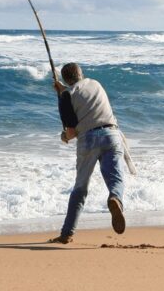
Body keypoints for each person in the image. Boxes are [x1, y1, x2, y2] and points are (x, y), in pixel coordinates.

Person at [48, 62, 126, 244]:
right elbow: (81, 93)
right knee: (116, 179)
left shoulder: (66, 95)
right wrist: (62, 91)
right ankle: (115, 198)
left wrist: (64, 137)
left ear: (65, 79)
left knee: (80, 189)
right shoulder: (95, 83)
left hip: (88, 139)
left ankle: (67, 233)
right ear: (81, 73)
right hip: (112, 134)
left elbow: (71, 132)